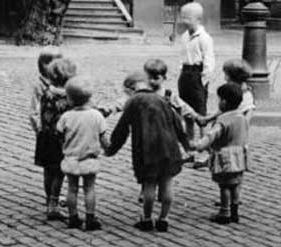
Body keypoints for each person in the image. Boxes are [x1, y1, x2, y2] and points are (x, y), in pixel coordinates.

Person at [106, 59, 192, 233]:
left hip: (147, 150)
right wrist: (186, 144)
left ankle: (146, 219)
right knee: (167, 182)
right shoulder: (161, 100)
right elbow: (177, 123)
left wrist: (111, 148)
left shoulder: (133, 102)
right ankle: (164, 219)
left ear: (131, 90)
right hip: (169, 148)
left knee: (149, 185)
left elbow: (122, 129)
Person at [56, 76, 110, 231]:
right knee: (89, 188)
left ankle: (73, 217)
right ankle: (90, 217)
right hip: (89, 159)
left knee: (72, 188)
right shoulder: (97, 116)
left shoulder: (66, 117)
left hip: (71, 159)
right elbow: (102, 137)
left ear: (70, 99)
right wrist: (108, 149)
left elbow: (59, 135)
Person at [191, 83, 250, 225]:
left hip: (226, 157)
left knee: (225, 186)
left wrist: (199, 145)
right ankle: (235, 211)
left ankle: (224, 213)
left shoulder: (223, 119)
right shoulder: (241, 117)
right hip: (239, 156)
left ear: (224, 101)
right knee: (236, 184)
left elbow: (212, 135)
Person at [30, 55, 77, 221]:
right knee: (59, 173)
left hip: (44, 138)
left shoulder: (46, 92)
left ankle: (48, 199)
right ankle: (53, 204)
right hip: (60, 140)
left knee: (48, 171)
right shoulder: (69, 98)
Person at [176, 2, 215, 167]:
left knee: (200, 115)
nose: (184, 21)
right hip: (185, 75)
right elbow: (183, 56)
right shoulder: (185, 36)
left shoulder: (205, 38)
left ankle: (204, 152)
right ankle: (190, 150)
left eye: (188, 18)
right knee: (187, 114)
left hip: (197, 76)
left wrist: (203, 80)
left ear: (198, 19)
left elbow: (209, 61)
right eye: (182, 17)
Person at [199, 59, 255, 124]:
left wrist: (208, 119)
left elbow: (223, 111)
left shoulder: (235, 93)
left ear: (232, 77)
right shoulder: (247, 93)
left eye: (226, 74)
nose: (224, 78)